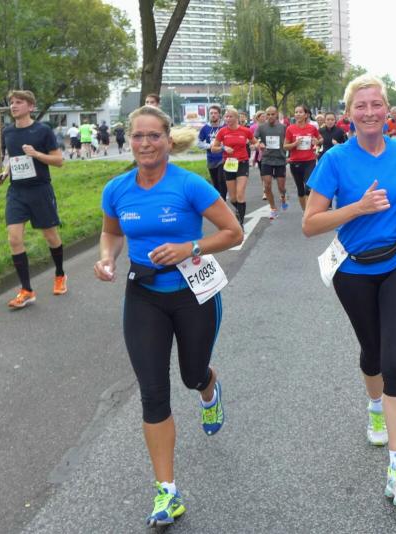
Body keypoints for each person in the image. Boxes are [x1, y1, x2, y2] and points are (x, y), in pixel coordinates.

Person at [94, 104, 242, 527]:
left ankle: (208, 389)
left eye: (153, 136)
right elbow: (110, 233)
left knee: (192, 374)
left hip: (193, 293)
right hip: (143, 295)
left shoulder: (189, 185)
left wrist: (189, 247)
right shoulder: (117, 190)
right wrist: (107, 258)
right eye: (137, 136)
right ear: (129, 141)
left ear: (167, 139)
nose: (145, 143)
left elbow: (233, 232)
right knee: (153, 393)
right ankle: (167, 491)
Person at [303, 75, 396, 508]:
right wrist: (357, 208)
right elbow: (310, 223)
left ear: (387, 109)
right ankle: (375, 406)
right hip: (354, 270)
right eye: (360, 106)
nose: (369, 112)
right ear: (349, 114)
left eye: (376, 104)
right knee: (372, 352)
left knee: (395, 361)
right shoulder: (335, 160)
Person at [0, 90, 67, 308]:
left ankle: (60, 274)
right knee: (14, 239)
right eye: (11, 102)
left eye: (19, 102)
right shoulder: (7, 131)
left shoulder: (42, 130)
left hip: (40, 190)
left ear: (31, 107)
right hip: (17, 192)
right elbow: (12, 157)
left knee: (50, 236)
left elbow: (59, 161)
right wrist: (5, 173)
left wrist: (36, 154)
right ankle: (27, 290)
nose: (13, 106)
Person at [211, 106, 256, 226]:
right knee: (233, 198)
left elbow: (255, 142)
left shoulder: (245, 131)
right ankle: (238, 210)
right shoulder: (222, 132)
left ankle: (240, 224)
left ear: (236, 118)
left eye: (230, 116)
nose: (227, 119)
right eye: (226, 117)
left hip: (242, 163)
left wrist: (255, 146)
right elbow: (214, 148)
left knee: (240, 194)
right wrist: (223, 148)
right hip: (229, 164)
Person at [284, 104, 321, 211]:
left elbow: (320, 139)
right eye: (296, 112)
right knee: (300, 190)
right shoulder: (290, 129)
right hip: (295, 162)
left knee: (308, 188)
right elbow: (285, 146)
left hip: (309, 161)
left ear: (306, 115)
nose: (298, 114)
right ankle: (305, 212)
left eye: (300, 112)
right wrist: (294, 144)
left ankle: (308, 213)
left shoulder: (312, 128)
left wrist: (317, 141)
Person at [255, 106, 289, 218]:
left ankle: (283, 197)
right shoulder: (261, 128)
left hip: (280, 159)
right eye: (268, 114)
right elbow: (254, 139)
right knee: (267, 186)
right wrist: (259, 143)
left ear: (277, 114)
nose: (270, 116)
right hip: (266, 159)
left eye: (272, 114)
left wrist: (289, 156)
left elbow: (289, 141)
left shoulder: (283, 128)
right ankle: (273, 208)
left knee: (281, 187)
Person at [198, 104, 226, 201]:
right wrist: (209, 146)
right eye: (211, 113)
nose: (213, 115)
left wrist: (222, 146)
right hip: (211, 159)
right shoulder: (205, 128)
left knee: (222, 180)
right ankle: (219, 201)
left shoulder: (225, 127)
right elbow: (199, 143)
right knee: (216, 183)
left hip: (223, 158)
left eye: (215, 113)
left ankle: (223, 200)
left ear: (219, 115)